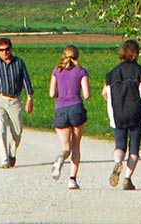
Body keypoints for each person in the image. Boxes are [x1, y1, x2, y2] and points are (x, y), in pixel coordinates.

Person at [103, 39, 141, 191]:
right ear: (136, 54)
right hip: (138, 113)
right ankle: (127, 179)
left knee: (120, 145)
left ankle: (118, 161)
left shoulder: (112, 73)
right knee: (134, 148)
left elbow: (104, 93)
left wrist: (113, 102)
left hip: (118, 113)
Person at [0, 37, 33, 168]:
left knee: (17, 131)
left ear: (11, 49)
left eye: (7, 49)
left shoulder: (19, 63)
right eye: (1, 50)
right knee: (1, 130)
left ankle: (12, 152)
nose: (4, 52)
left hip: (15, 99)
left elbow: (26, 80)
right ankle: (4, 160)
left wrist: (29, 98)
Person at [48, 45, 90, 189]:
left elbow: (52, 93)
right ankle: (72, 179)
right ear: (77, 56)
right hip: (76, 108)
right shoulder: (81, 72)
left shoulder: (57, 71)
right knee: (76, 146)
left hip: (61, 109)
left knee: (65, 147)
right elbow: (87, 94)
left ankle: (60, 159)